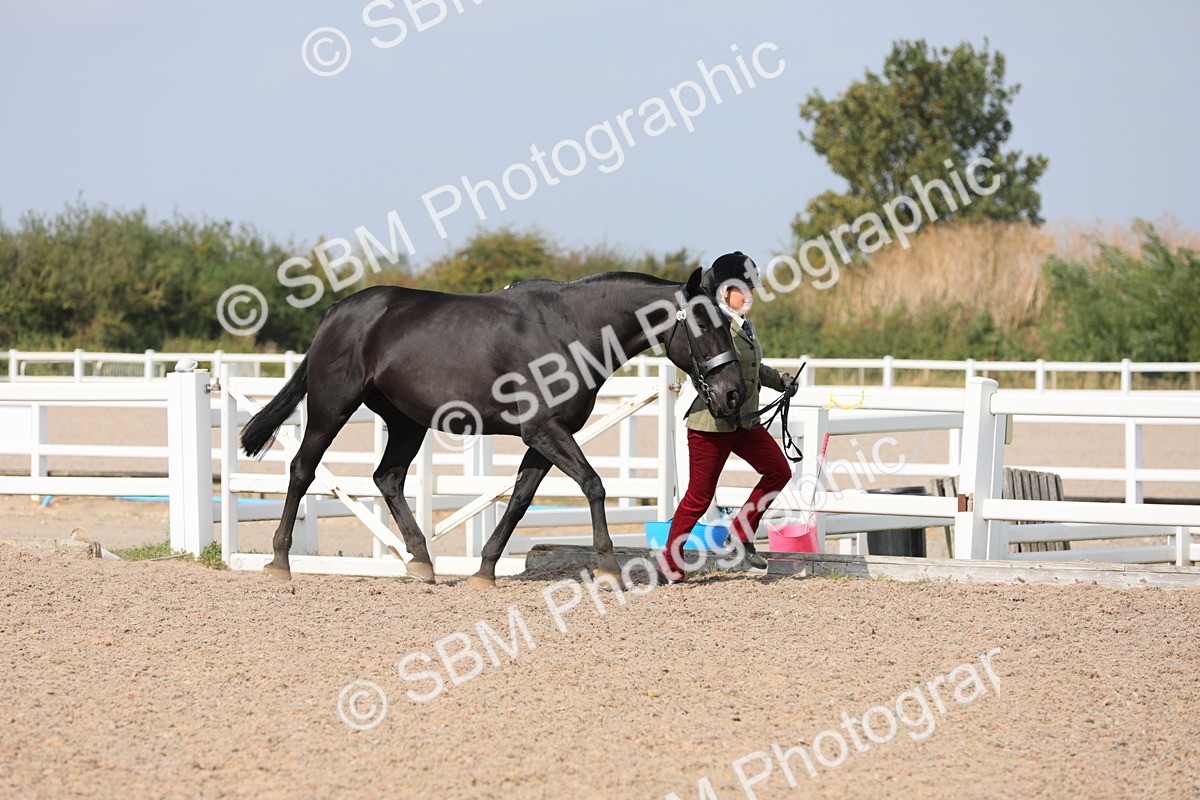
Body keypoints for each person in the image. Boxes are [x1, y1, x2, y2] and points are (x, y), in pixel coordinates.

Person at [658, 251, 796, 583]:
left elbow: (752, 368)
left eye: (751, 288)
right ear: (724, 290)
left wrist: (781, 381)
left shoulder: (743, 325)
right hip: (712, 424)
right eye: (743, 288)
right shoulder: (713, 325)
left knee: (778, 471)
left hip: (744, 421)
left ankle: (740, 532)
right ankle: (669, 563)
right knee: (699, 497)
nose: (750, 295)